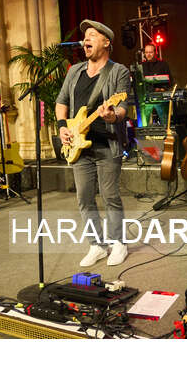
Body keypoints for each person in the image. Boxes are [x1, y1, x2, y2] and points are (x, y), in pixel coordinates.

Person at [56, 20, 132, 267]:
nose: (85, 39)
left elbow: (123, 107)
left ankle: (119, 243)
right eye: (85, 36)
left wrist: (112, 116)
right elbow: (61, 102)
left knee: (110, 196)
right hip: (78, 145)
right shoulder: (74, 71)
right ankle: (97, 244)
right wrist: (62, 127)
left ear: (106, 42)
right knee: (84, 198)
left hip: (107, 144)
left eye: (92, 35)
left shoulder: (118, 71)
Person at [140, 43, 172, 127]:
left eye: (150, 52)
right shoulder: (141, 66)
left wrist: (162, 89)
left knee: (165, 121)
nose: (148, 54)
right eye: (146, 52)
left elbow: (170, 81)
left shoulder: (163, 64)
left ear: (155, 53)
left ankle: (165, 132)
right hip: (146, 98)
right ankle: (145, 134)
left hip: (160, 97)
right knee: (144, 122)